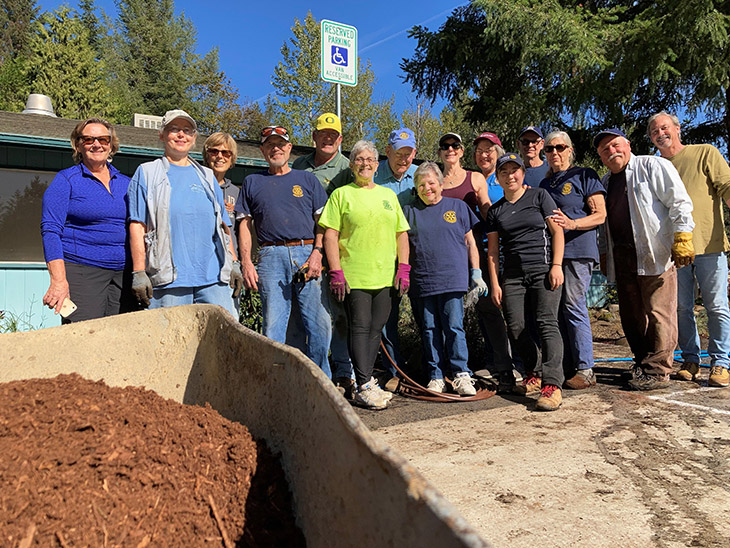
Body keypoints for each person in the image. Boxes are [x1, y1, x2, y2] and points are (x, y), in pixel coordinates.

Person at [594, 128, 695, 391]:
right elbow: (603, 224)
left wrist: (683, 235)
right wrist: (605, 253)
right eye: (605, 150)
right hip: (623, 258)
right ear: (601, 158)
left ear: (627, 144)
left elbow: (679, 201)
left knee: (659, 313)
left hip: (655, 254)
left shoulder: (652, 165)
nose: (611, 151)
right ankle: (642, 364)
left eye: (615, 145)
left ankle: (658, 371)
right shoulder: (605, 182)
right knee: (631, 316)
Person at [319, 140, 410, 410]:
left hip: (385, 275)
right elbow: (330, 235)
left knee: (375, 329)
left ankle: (366, 382)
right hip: (354, 275)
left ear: (377, 164)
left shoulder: (387, 196)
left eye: (370, 159)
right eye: (359, 159)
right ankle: (363, 384)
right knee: (359, 327)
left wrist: (403, 267)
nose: (365, 163)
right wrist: (336, 271)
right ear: (352, 164)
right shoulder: (341, 195)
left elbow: (401, 234)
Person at [235, 125, 332, 376]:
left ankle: (321, 380)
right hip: (270, 256)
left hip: (306, 252)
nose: (275, 148)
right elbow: (244, 225)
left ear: (289, 148)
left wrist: (318, 252)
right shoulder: (252, 182)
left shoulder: (307, 180)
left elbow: (324, 221)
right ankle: (280, 382)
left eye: (280, 144)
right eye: (269, 145)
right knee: (274, 327)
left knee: (319, 323)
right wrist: (246, 262)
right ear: (262, 151)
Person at [127, 109, 242, 318]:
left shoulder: (208, 177)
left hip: (214, 278)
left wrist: (234, 263)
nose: (181, 135)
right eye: (174, 129)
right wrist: (138, 271)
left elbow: (224, 225)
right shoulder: (146, 173)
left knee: (222, 342)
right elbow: (137, 225)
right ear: (161, 135)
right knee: (169, 344)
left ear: (194, 138)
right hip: (168, 280)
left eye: (187, 130)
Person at [648, 112, 730, 388]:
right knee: (680, 308)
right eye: (654, 131)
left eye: (664, 127)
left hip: (709, 244)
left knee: (716, 306)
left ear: (677, 129)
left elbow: (727, 186)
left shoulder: (704, 153)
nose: (660, 133)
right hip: (672, 252)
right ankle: (691, 360)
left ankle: (720, 362)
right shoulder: (655, 167)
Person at [485, 153, 565, 411]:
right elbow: (493, 252)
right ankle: (534, 373)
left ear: (522, 173)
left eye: (515, 170)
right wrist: (496, 284)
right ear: (497, 178)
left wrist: (556, 266)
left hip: (543, 269)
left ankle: (552, 385)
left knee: (546, 322)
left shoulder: (539, 196)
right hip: (513, 276)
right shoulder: (496, 211)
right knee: (516, 326)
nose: (511, 175)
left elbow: (557, 232)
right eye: (504, 172)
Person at [403, 162, 485, 395]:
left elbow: (471, 242)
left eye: (431, 183)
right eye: (421, 185)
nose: (427, 188)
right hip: (423, 281)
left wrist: (476, 272)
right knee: (429, 329)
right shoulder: (409, 211)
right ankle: (436, 375)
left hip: (452, 279)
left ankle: (461, 374)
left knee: (454, 327)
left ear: (440, 184)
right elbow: (403, 246)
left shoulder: (458, 207)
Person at [41, 117, 133, 323]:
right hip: (83, 271)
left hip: (124, 275)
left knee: (122, 341)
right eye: (89, 139)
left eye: (103, 139)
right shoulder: (66, 181)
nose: (97, 144)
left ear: (112, 145)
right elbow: (50, 231)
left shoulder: (127, 183)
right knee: (84, 341)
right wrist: (58, 280)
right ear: (78, 145)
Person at [292, 113, 354, 395]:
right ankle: (309, 370)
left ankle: (344, 371)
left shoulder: (346, 168)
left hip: (339, 250)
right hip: (307, 249)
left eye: (333, 135)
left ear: (340, 139)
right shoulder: (299, 166)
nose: (327, 138)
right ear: (314, 137)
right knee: (309, 314)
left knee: (339, 314)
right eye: (322, 133)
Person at [540, 131, 606, 389]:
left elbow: (600, 214)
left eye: (560, 147)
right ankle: (566, 365)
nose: (554, 153)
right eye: (549, 149)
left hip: (578, 251)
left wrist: (573, 224)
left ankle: (586, 368)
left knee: (574, 304)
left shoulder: (585, 175)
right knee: (555, 310)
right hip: (552, 254)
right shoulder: (545, 185)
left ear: (570, 150)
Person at [373, 128, 418, 386]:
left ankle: (431, 370)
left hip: (419, 254)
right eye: (398, 152)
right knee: (386, 316)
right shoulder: (374, 175)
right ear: (387, 151)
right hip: (384, 254)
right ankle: (394, 372)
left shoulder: (420, 176)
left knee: (427, 316)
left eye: (408, 153)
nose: (403, 158)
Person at [472, 131, 513, 384]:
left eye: (489, 150)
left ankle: (519, 363)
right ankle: (495, 361)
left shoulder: (506, 179)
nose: (484, 154)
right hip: (480, 253)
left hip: (506, 252)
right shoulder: (473, 179)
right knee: (486, 308)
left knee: (512, 310)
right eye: (479, 151)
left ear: (498, 153)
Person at [203, 132, 241, 316]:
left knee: (232, 320)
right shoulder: (196, 184)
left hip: (229, 266)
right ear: (206, 154)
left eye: (226, 153)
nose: (220, 156)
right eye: (214, 151)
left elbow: (243, 231)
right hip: (202, 266)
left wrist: (239, 264)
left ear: (232, 158)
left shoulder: (237, 192)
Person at [438, 132, 491, 216]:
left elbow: (487, 212)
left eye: (455, 146)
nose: (450, 149)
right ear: (439, 153)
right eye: (445, 146)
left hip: (471, 229)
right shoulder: (434, 181)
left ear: (461, 152)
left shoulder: (476, 178)